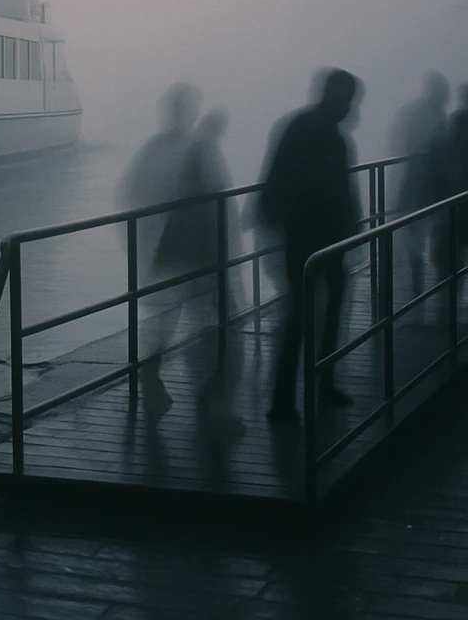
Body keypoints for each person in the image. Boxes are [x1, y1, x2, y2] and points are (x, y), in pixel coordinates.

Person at [259, 69, 363, 425]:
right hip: (317, 236)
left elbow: (277, 181)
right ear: (336, 96)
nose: (350, 108)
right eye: (348, 99)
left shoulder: (301, 126)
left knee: (304, 314)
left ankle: (293, 394)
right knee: (314, 313)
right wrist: (348, 225)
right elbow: (334, 188)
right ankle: (308, 389)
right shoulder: (326, 134)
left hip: (307, 235)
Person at [154, 109, 245, 438]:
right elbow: (213, 203)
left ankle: (207, 400)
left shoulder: (195, 153)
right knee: (224, 332)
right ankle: (214, 407)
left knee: (212, 329)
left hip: (197, 258)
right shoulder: (205, 154)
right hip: (205, 259)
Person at [114, 83, 201, 415]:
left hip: (160, 247)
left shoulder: (154, 148)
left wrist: (139, 239)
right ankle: (162, 381)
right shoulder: (188, 148)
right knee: (186, 314)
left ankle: (153, 377)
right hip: (177, 248)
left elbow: (128, 193)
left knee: (170, 313)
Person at [389, 72, 450, 294]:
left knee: (419, 228)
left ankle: (419, 272)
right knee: (424, 227)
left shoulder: (422, 112)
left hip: (420, 178)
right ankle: (424, 273)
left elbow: (402, 140)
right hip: (426, 179)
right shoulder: (432, 114)